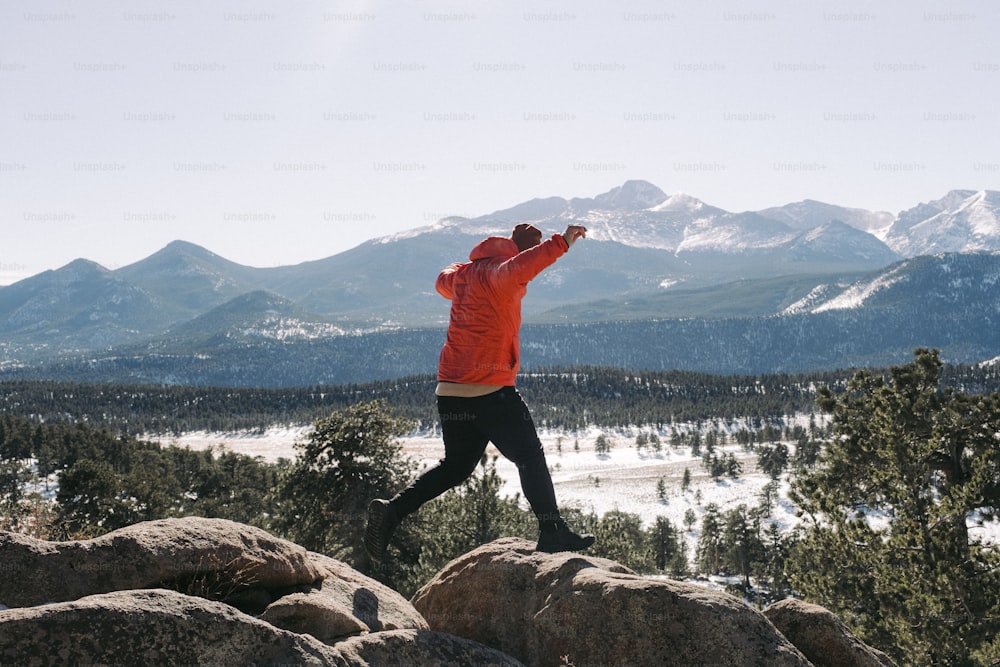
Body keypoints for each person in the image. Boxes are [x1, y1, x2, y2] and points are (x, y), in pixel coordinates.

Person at [364, 222, 595, 561]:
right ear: (517, 252)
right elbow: (527, 264)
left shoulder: (463, 276)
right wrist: (563, 242)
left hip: (451, 389)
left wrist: (469, 264)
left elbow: (442, 277)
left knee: (457, 466)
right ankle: (551, 531)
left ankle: (393, 511)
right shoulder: (505, 273)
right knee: (529, 457)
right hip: (489, 389)